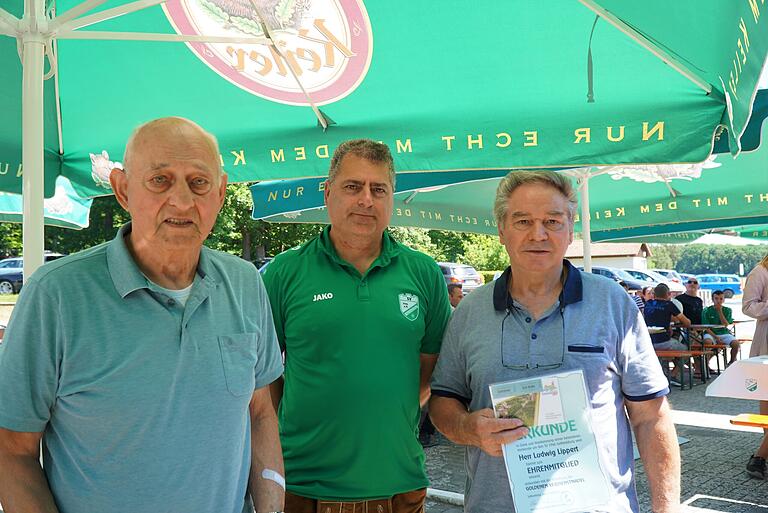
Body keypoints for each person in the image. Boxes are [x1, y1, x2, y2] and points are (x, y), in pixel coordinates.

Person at [0, 117, 285, 513]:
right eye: (160, 180)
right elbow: (11, 450)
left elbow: (260, 414)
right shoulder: (56, 295)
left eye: (198, 183)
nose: (183, 201)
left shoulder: (245, 284)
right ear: (122, 190)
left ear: (220, 194)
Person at [428, 170, 680, 513]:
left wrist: (666, 508)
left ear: (570, 229)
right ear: (501, 229)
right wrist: (467, 429)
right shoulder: (470, 310)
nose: (539, 234)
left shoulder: (612, 302)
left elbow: (650, 416)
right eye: (522, 221)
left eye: (552, 220)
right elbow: (444, 401)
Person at [263, 139, 452, 512]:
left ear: (391, 198)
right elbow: (265, 378)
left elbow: (430, 368)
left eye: (378, 189)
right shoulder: (284, 273)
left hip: (399, 485)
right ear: (329, 192)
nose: (366, 199)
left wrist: (383, 412)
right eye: (353, 186)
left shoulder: (424, 274)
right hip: (303, 487)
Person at [742, 254, 768, 480]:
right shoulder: (760, 272)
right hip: (766, 345)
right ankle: (760, 457)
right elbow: (748, 306)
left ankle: (760, 457)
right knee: (766, 399)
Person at [644, 283, 691, 350]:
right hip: (663, 342)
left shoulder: (648, 304)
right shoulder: (669, 304)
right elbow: (687, 323)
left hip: (648, 342)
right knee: (685, 350)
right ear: (668, 294)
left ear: (654, 294)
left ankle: (665, 360)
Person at [701, 290, 740, 365]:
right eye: (716, 298)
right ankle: (706, 363)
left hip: (723, 333)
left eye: (721, 299)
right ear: (712, 299)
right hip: (711, 333)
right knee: (707, 342)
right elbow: (706, 327)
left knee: (736, 344)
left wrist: (720, 311)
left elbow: (726, 324)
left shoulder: (727, 310)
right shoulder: (706, 310)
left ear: (724, 299)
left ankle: (732, 362)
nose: (718, 301)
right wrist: (715, 337)